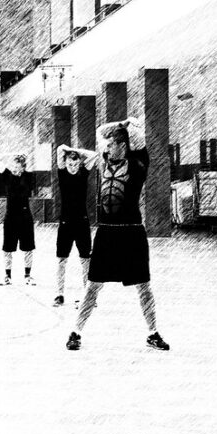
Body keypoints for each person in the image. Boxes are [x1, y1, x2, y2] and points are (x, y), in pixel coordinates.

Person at [66, 118, 170, 352]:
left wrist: (129, 126)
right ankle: (76, 332)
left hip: (132, 232)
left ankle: (153, 333)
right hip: (106, 233)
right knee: (93, 286)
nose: (107, 146)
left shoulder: (138, 164)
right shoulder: (103, 161)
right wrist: (120, 123)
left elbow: (139, 139)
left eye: (112, 143)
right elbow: (100, 130)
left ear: (123, 145)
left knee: (144, 287)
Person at [53, 144, 99, 307]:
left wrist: (77, 152)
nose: (72, 167)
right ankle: (59, 294)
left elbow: (94, 155)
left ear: (79, 164)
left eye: (75, 164)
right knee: (61, 260)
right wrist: (69, 151)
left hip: (82, 223)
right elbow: (60, 149)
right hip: (65, 223)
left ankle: (88, 296)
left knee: (85, 260)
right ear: (65, 163)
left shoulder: (83, 173)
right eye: (70, 164)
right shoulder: (62, 173)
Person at [0, 153, 36, 285]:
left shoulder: (27, 177)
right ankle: (7, 276)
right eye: (13, 167)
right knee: (7, 249)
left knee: (28, 248)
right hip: (10, 218)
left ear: (23, 168)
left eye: (18, 167)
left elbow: (30, 162)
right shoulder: (7, 176)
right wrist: (11, 156)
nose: (15, 169)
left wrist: (23, 158)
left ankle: (27, 276)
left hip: (25, 218)